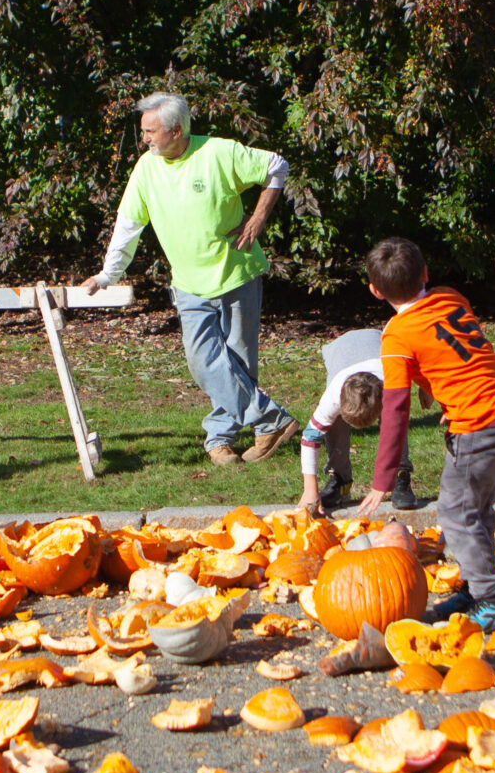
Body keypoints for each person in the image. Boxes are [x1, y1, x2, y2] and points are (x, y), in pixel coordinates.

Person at [77, 93, 298, 465]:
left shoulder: (219, 153)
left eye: (151, 131)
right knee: (203, 361)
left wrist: (259, 217)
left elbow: (277, 166)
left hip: (236, 273)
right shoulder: (147, 168)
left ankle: (221, 438)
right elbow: (128, 225)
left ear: (176, 130)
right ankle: (270, 419)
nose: (144, 138)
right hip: (188, 283)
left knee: (238, 362)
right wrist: (106, 275)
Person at [358, 237, 495, 632]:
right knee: (476, 509)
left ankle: (493, 600)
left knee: (455, 512)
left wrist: (383, 479)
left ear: (375, 291)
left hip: (480, 424)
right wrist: (445, 396)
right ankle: (475, 587)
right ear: (426, 274)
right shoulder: (451, 296)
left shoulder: (397, 337)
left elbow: (395, 409)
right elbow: (452, 352)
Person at [296, 328, 418, 516]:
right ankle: (339, 478)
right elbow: (311, 436)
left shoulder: (392, 380)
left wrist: (427, 389)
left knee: (394, 421)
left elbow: (419, 357)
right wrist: (310, 488)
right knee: (331, 423)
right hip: (340, 352)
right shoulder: (334, 394)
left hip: (376, 346)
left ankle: (400, 474)